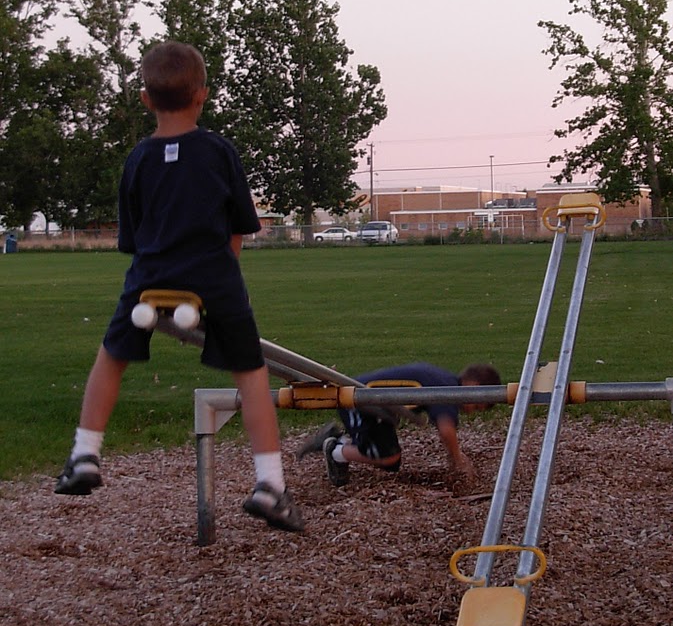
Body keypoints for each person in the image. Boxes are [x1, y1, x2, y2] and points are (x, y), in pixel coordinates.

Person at [55, 41, 303, 532]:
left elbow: (133, 238)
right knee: (250, 372)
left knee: (112, 354)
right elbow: (237, 229)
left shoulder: (137, 160)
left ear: (146, 99)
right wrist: (222, 280)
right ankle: (270, 485)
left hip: (149, 276)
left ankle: (85, 453)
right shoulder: (218, 152)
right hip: (213, 274)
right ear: (202, 96)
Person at [296, 362, 501, 487]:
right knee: (388, 458)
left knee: (391, 460)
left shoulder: (443, 380)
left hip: (376, 410)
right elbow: (446, 429)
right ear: (473, 385)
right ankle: (335, 449)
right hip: (359, 404)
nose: (472, 410)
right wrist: (458, 460)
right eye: (477, 404)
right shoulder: (447, 388)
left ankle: (342, 444)